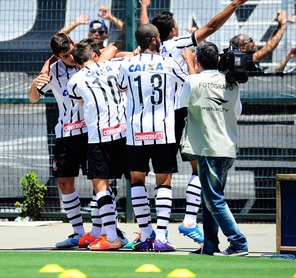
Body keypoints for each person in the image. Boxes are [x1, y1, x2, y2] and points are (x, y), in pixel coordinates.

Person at [138, 0, 256, 244]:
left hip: (160, 115)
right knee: (198, 166)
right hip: (184, 109)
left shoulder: (152, 48)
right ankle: (190, 221)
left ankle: (154, 232)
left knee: (158, 176)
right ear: (173, 31)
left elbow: (145, 32)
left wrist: (144, 10)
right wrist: (235, 3)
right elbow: (212, 27)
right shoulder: (177, 44)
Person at [118, 23, 188, 252]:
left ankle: (145, 234)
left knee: (137, 181)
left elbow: (121, 88)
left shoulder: (127, 65)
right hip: (163, 129)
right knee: (164, 182)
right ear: (155, 40)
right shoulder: (169, 63)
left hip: (136, 130)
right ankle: (161, 236)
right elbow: (186, 82)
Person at [180, 41, 248, 257]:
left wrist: (190, 67)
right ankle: (209, 245)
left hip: (208, 148)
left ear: (197, 60)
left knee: (213, 200)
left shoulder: (192, 80)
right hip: (227, 147)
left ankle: (238, 242)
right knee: (211, 198)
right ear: (219, 60)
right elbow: (236, 113)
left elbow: (183, 104)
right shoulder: (232, 82)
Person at [28, 33, 88, 249]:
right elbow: (33, 98)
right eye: (65, 56)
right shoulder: (53, 71)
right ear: (57, 56)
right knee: (64, 183)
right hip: (66, 133)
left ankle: (105, 231)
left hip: (92, 132)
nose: (71, 57)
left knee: (101, 180)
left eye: (72, 52)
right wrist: (35, 85)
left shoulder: (89, 60)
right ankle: (78, 233)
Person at [67, 41, 129, 251]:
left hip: (99, 136)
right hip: (123, 131)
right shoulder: (112, 66)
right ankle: (146, 234)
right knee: (136, 182)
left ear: (75, 61)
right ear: (94, 55)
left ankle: (111, 236)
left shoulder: (74, 80)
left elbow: (81, 102)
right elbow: (123, 87)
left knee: (100, 185)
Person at [229, 11, 287, 76]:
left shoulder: (248, 57)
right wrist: (284, 25)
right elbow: (268, 50)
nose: (254, 42)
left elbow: (268, 45)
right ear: (243, 48)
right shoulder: (244, 60)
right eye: (250, 40)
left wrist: (279, 26)